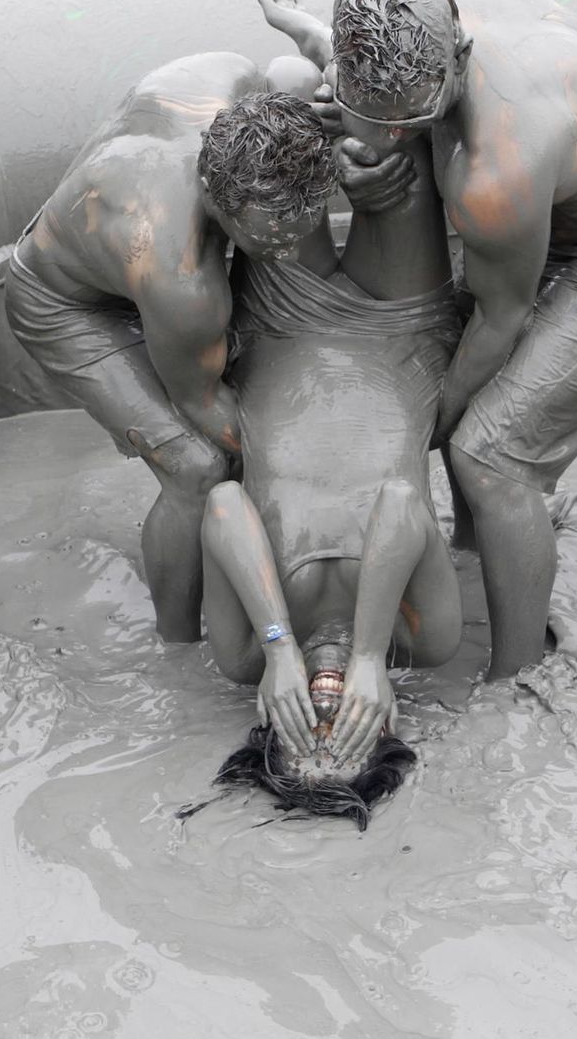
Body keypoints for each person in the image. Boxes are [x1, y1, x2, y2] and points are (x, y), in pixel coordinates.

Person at [327, 0, 577, 682]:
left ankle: (517, 679)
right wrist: (358, 152)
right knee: (452, 377)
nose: (392, 142)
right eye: (381, 124)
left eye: (410, 126)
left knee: (491, 450)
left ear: (459, 58)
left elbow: (499, 321)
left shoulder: (497, 169)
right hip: (566, 188)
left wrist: (433, 424)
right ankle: (475, 544)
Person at [5, 49, 336, 643]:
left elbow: (295, 76)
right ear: (216, 192)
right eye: (271, 238)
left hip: (109, 224)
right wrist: (323, 465)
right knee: (196, 465)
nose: (289, 248)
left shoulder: (226, 75)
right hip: (63, 304)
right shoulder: (180, 277)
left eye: (301, 224)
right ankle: (177, 641)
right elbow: (203, 403)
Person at [199, 129, 463, 801]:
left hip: (278, 331)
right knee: (388, 147)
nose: (323, 717)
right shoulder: (424, 640)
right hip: (401, 332)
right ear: (386, 722)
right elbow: (402, 502)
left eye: (302, 742)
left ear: (265, 729)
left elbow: (223, 507)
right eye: (342, 739)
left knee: (286, 119)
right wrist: (371, 652)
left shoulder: (243, 654)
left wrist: (280, 645)